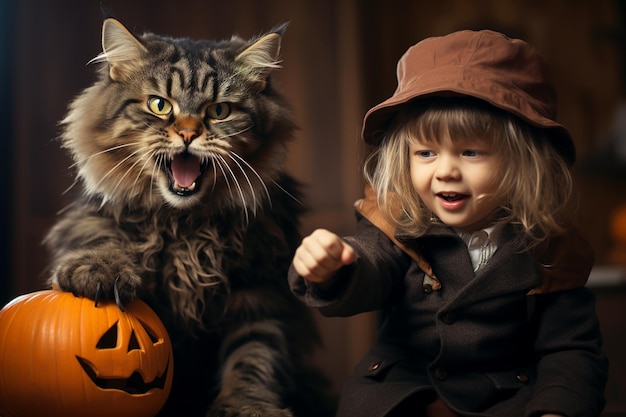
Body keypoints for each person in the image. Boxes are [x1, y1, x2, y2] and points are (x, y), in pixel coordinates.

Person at [288, 29, 608, 417]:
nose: (445, 172)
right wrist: (334, 266)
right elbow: (372, 265)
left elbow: (571, 350)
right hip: (404, 392)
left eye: (470, 152)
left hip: (502, 400)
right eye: (425, 152)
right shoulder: (396, 221)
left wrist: (556, 408)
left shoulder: (551, 249)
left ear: (523, 161)